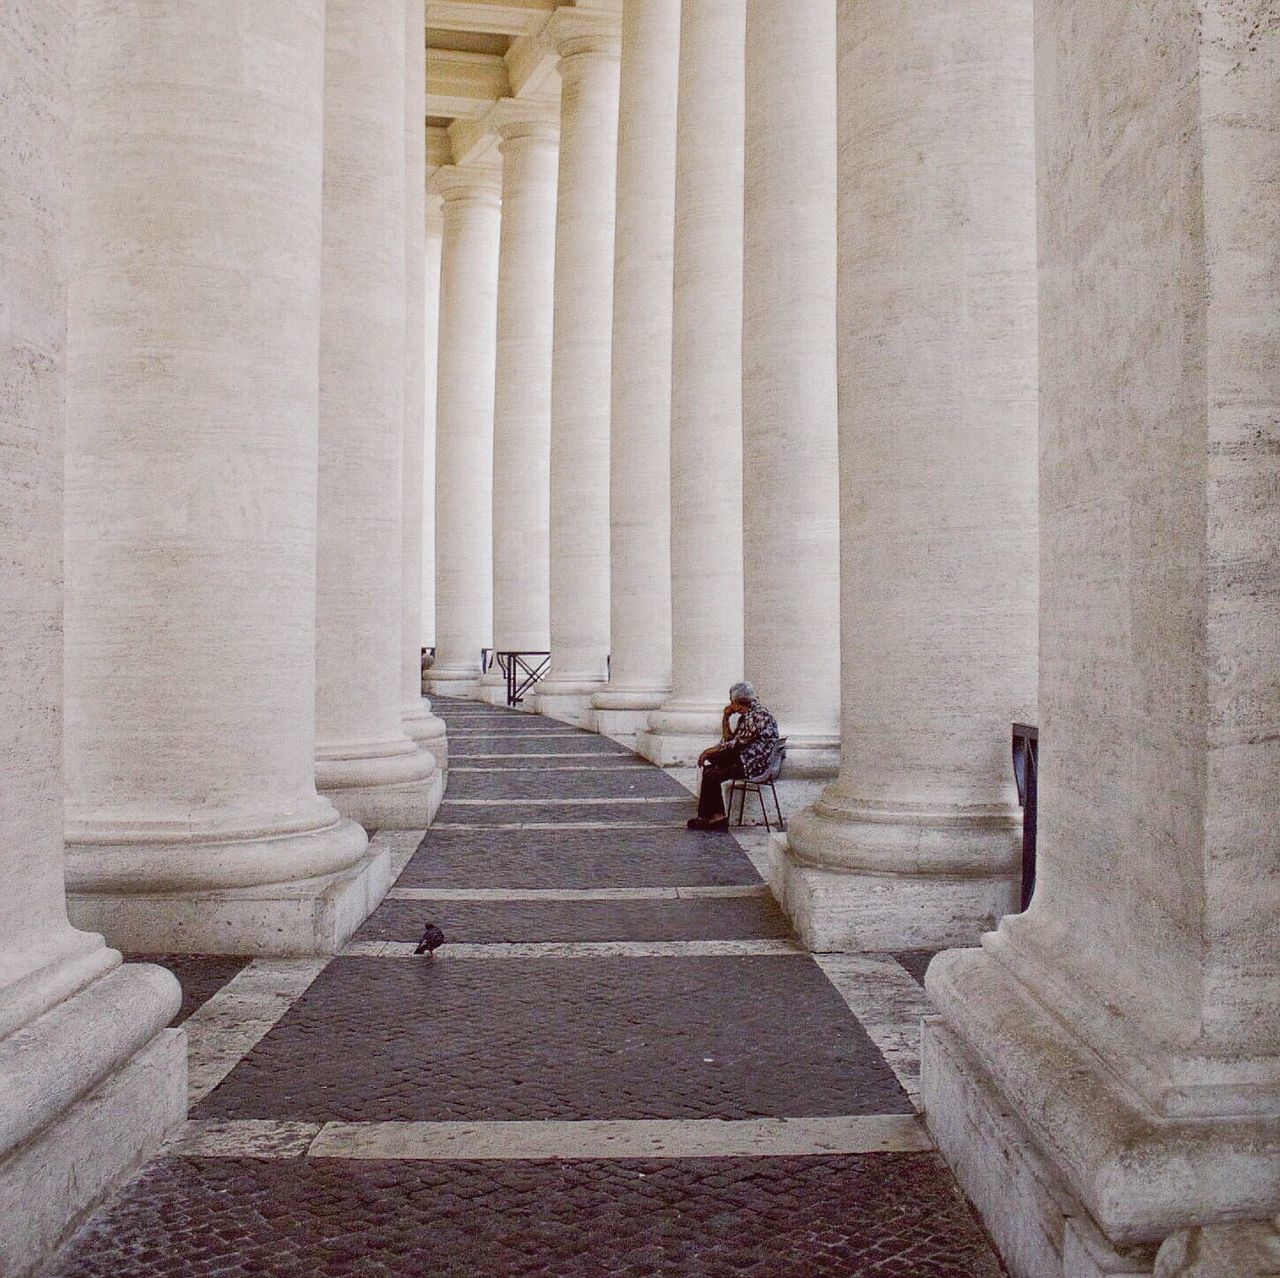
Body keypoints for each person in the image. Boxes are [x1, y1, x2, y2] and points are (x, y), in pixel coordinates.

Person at [687, 681, 780, 831]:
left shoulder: (756, 716)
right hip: (745, 759)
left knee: (711, 771)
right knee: (711, 769)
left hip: (753, 765)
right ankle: (715, 817)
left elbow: (732, 744)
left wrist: (707, 752)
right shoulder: (749, 714)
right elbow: (729, 739)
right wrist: (726, 718)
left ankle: (710, 818)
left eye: (731, 701)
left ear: (736, 703)